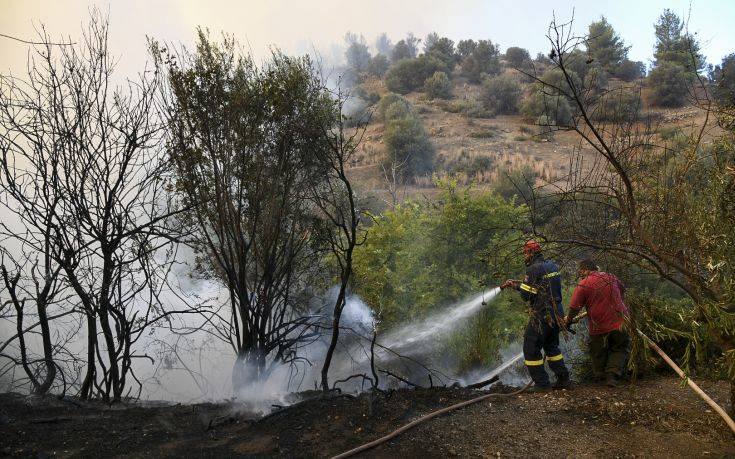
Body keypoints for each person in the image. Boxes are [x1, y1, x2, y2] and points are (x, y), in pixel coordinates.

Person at [501, 240, 570, 391]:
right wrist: (517, 285)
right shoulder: (552, 265)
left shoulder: (532, 269)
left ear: (531, 253)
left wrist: (519, 287)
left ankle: (542, 385)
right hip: (557, 311)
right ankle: (564, 379)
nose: (524, 256)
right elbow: (540, 287)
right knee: (551, 346)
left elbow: (527, 295)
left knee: (531, 347)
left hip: (542, 314)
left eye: (525, 253)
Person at [565, 258, 630, 387]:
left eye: (581, 272)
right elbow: (623, 291)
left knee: (597, 350)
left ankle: (600, 377)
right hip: (621, 321)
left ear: (585, 270)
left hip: (599, 325)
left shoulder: (583, 284)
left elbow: (574, 307)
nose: (580, 274)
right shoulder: (611, 277)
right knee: (619, 348)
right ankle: (612, 376)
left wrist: (569, 320)